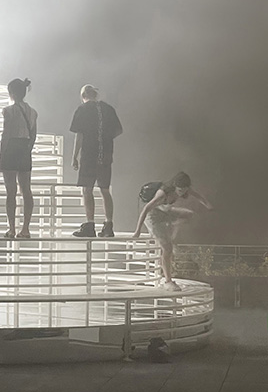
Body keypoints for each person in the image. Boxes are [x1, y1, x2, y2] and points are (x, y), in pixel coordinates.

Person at [132, 171, 213, 291]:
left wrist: (208, 205)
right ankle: (168, 281)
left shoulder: (186, 189)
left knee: (189, 214)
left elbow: (198, 196)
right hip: (152, 216)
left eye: (184, 190)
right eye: (179, 190)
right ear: (174, 186)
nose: (182, 193)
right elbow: (145, 209)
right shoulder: (162, 194)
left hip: (165, 212)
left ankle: (170, 228)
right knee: (167, 248)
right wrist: (137, 231)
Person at [70, 84, 123, 238]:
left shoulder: (82, 110)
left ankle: (90, 224)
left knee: (87, 189)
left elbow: (79, 135)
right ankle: (108, 225)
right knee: (105, 189)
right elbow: (118, 130)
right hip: (106, 154)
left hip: (89, 154)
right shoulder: (108, 109)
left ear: (83, 96)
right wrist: (105, 139)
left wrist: (75, 156)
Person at [0, 78, 38, 240]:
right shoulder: (33, 112)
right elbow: (33, 134)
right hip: (25, 148)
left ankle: (12, 228)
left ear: (11, 93)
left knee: (11, 191)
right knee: (26, 190)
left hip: (11, 148)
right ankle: (26, 229)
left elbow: (6, 134)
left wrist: (1, 158)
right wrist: (28, 148)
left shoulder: (8, 111)